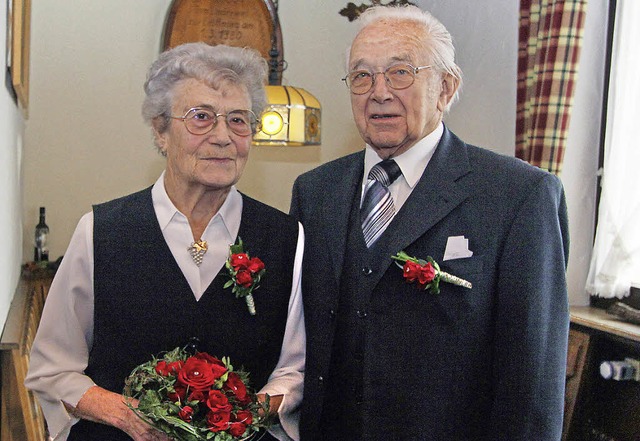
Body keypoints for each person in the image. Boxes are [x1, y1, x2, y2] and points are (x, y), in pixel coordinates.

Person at [290, 5, 569, 441]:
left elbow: (531, 381)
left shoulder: (518, 196)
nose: (378, 92)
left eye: (400, 72)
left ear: (446, 87)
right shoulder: (315, 192)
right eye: (362, 77)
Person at [25, 42, 305, 441]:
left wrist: (247, 413)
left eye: (240, 120)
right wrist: (125, 415)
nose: (224, 137)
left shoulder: (286, 239)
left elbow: (294, 370)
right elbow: (53, 369)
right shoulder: (101, 231)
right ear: (160, 129)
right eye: (201, 118)